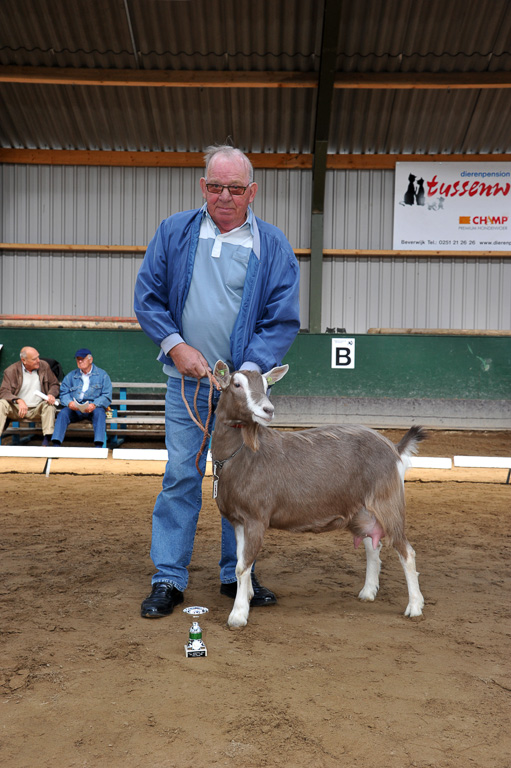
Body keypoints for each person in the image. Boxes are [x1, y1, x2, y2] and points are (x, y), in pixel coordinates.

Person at [134, 144, 301, 619]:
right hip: (185, 383)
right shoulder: (173, 232)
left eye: (234, 188)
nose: (223, 196)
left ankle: (236, 575)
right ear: (201, 186)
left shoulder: (272, 245)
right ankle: (168, 578)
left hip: (240, 394)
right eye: (214, 186)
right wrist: (174, 344)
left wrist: (247, 374)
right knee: (181, 476)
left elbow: (281, 320)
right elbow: (148, 297)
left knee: (243, 479)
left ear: (252, 192)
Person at [51, 349, 112, 447]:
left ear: (90, 359)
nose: (79, 361)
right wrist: (69, 403)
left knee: (100, 413)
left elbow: (106, 395)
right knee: (63, 413)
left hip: (93, 407)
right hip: (75, 408)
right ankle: (56, 444)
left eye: (82, 359)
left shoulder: (102, 375)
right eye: (78, 359)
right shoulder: (71, 376)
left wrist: (94, 404)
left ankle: (99, 446)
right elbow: (63, 393)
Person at [0, 346, 60, 445]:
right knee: (1, 404)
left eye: (38, 357)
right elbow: (3, 392)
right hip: (17, 409)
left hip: (37, 408)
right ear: (24, 360)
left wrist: (51, 394)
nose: (38, 361)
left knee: (50, 405)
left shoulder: (44, 366)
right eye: (34, 359)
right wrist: (18, 400)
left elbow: (54, 384)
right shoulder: (11, 371)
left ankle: (46, 441)